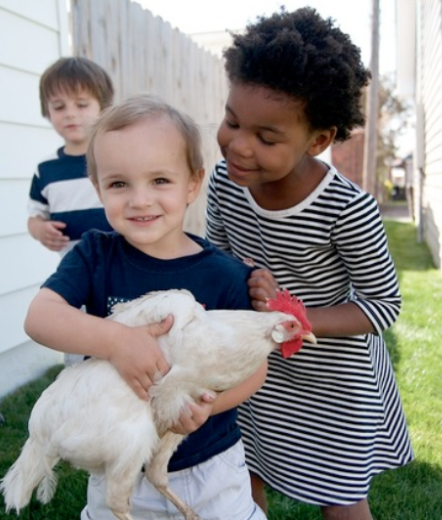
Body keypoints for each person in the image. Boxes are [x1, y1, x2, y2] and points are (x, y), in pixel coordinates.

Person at [205, 8, 414, 520]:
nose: (238, 144)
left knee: (338, 494)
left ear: (317, 140)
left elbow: (383, 306)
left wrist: (289, 314)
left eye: (267, 137)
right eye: (232, 121)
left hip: (333, 381)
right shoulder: (223, 182)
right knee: (240, 470)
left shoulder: (346, 209)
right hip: (257, 369)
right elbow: (217, 261)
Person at [24, 95, 268, 520]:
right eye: (119, 184)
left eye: (159, 181)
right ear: (98, 187)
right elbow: (39, 317)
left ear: (193, 183)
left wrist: (210, 405)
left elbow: (255, 369)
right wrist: (117, 341)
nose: (140, 200)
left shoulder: (224, 275)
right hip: (118, 460)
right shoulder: (94, 257)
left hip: (208, 465)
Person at [27, 57, 114, 257]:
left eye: (82, 104)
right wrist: (39, 230)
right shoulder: (46, 169)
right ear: (46, 111)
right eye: (59, 107)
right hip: (74, 272)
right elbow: (35, 215)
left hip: (124, 267)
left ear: (103, 108)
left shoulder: (117, 159)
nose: (70, 114)